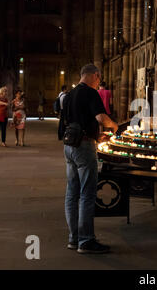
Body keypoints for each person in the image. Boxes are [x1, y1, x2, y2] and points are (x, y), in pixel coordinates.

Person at [62, 64, 118, 254]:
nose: (99, 82)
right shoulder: (91, 93)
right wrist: (114, 126)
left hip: (69, 146)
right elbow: (101, 118)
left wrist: (96, 135)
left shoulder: (69, 95)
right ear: (95, 75)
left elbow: (74, 121)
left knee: (72, 193)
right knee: (87, 193)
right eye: (99, 78)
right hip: (84, 148)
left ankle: (74, 238)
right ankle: (86, 241)